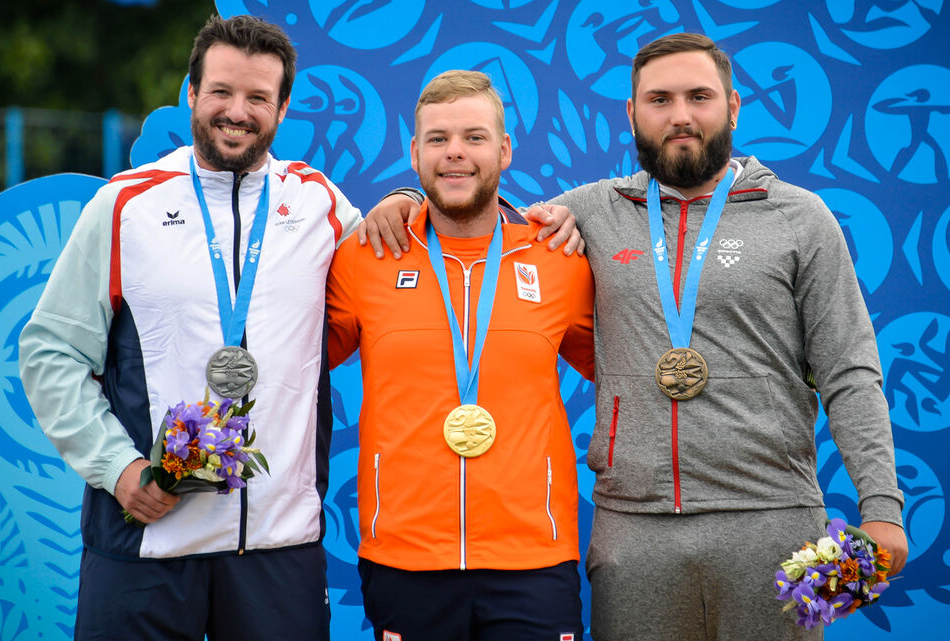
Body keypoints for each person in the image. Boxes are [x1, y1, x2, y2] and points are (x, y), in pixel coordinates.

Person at [363, 33, 909, 640]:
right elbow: (474, 208)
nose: (680, 115)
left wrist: (881, 506)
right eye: (659, 99)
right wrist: (405, 198)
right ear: (631, 112)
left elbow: (849, 370)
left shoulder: (800, 217)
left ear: (732, 106)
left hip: (771, 520)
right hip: (634, 531)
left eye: (699, 97)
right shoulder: (591, 211)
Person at [18, 15, 359, 640]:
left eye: (258, 97)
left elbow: (407, 263)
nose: (237, 112)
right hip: (146, 535)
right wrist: (117, 466)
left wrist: (402, 203)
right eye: (221, 91)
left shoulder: (322, 206)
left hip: (277, 550)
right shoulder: (126, 205)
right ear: (193, 93)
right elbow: (52, 350)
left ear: (283, 108)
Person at [326, 69, 595, 640]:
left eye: (474, 137)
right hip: (405, 558)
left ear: (504, 150)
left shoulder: (559, 257)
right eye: (438, 139)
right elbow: (293, 363)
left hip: (535, 557)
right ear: (414, 153)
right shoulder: (366, 255)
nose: (455, 152)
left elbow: (625, 369)